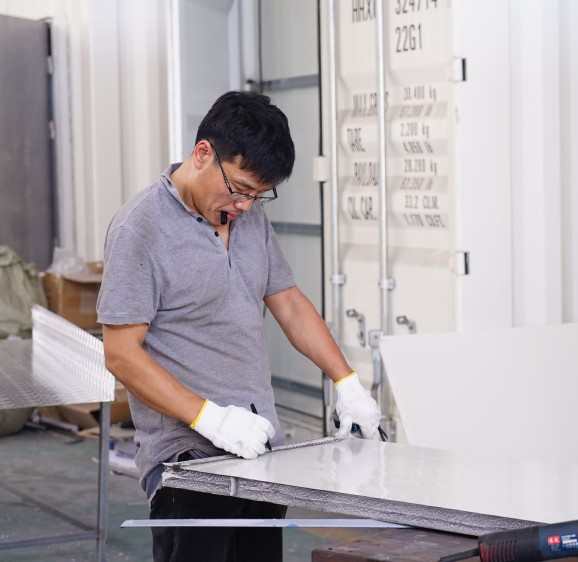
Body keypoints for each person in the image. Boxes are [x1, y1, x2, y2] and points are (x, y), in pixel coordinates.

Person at [97, 91, 381, 562]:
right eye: (241, 189)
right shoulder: (140, 229)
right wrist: (209, 419)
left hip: (260, 450)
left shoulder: (249, 218)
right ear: (203, 154)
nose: (247, 205)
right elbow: (121, 353)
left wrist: (347, 382)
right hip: (187, 464)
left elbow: (289, 302)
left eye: (258, 195)